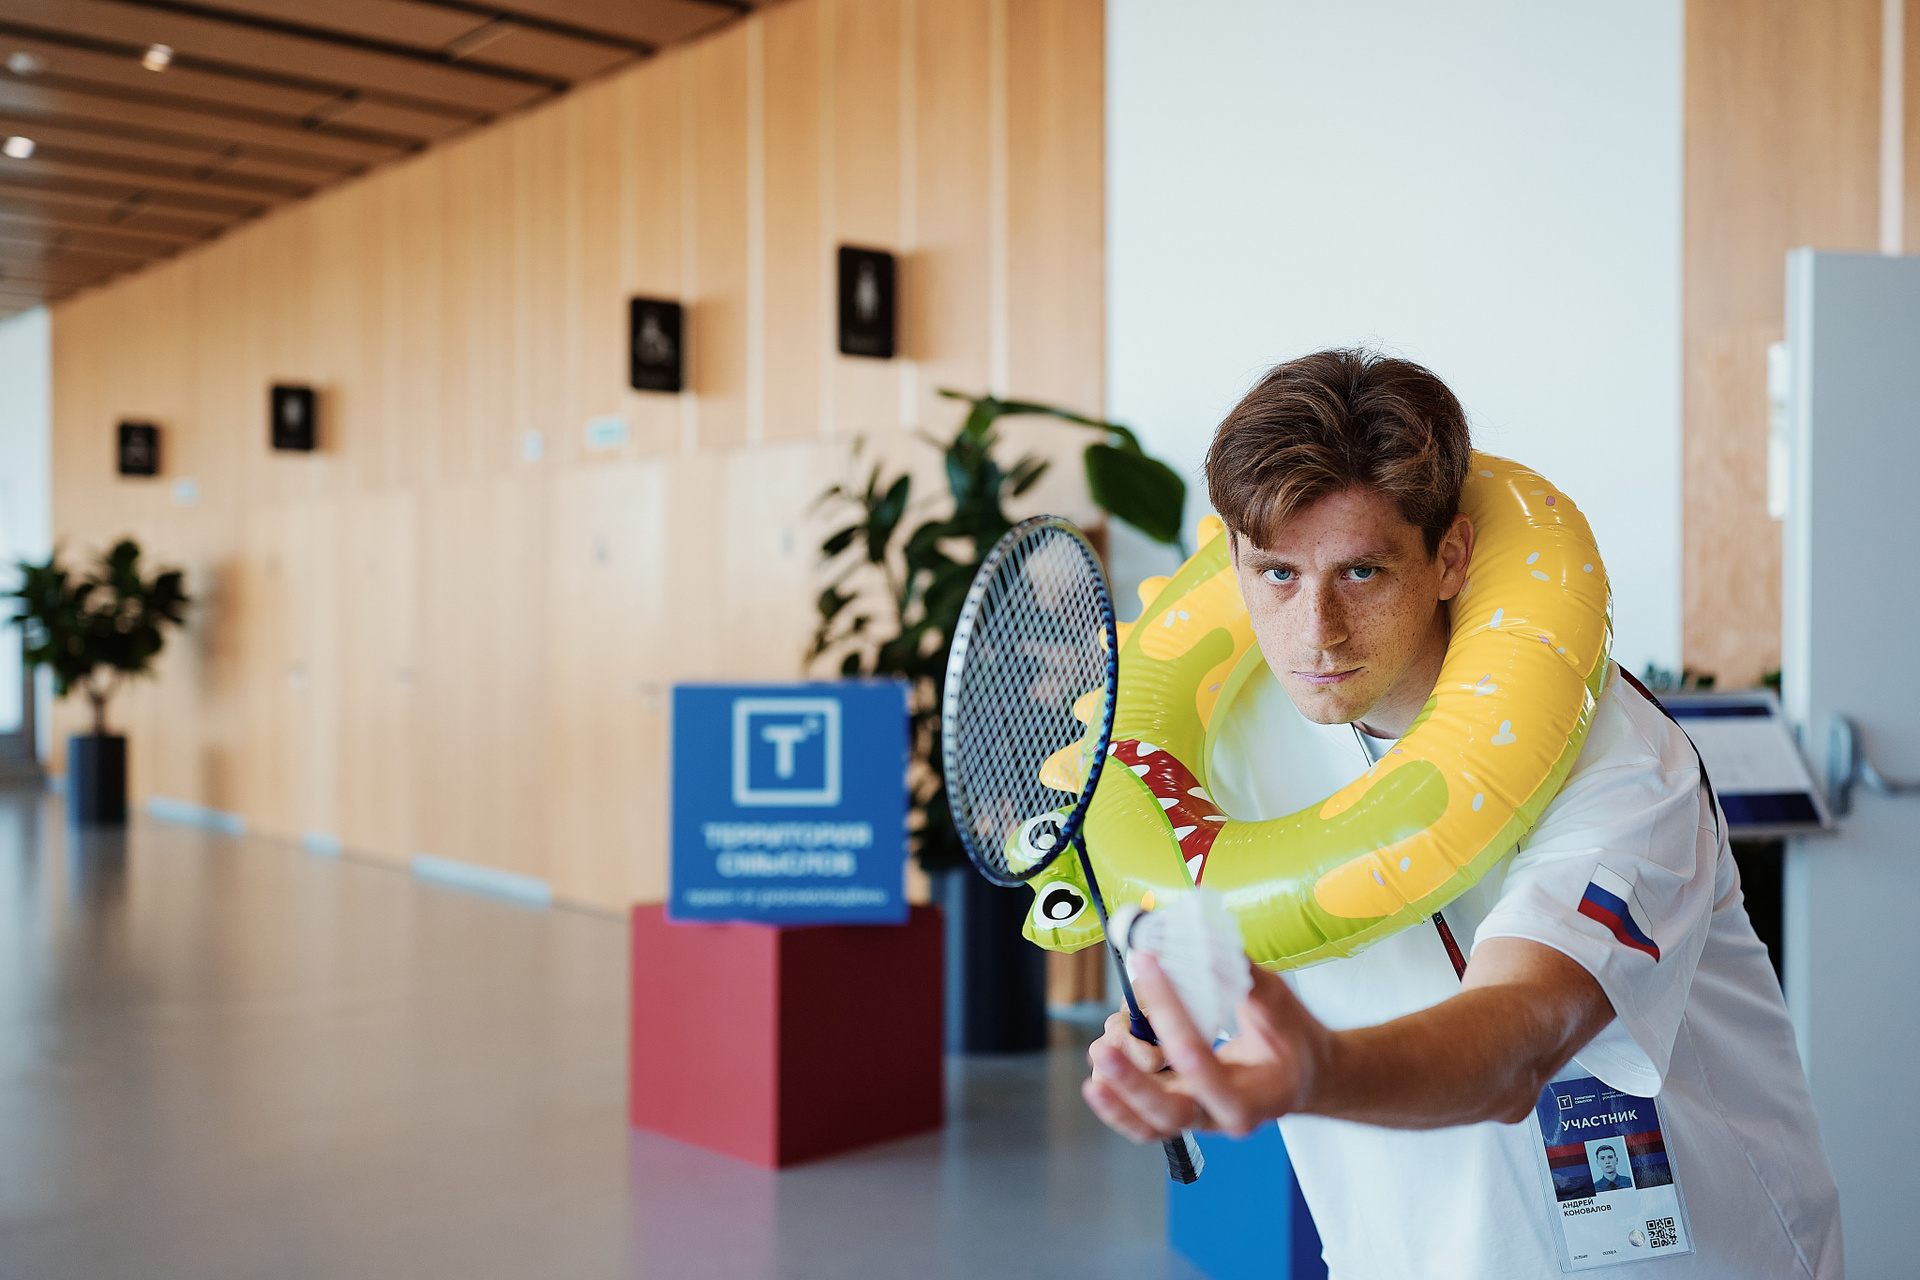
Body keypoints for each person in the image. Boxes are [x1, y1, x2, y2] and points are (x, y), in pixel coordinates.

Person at [1081, 350, 1843, 1278]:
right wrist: (1177, 1029)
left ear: (1450, 558)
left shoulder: (1619, 756)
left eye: (1362, 573)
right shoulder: (1218, 755)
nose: (1316, 631)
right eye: (1276, 574)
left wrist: (1317, 1072)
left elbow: (1520, 1037)